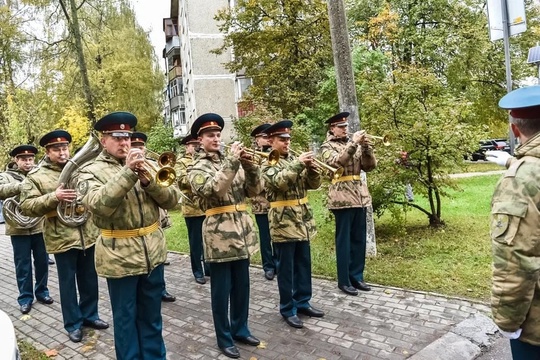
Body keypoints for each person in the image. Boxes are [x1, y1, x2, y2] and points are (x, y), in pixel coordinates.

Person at [77, 112, 180, 360]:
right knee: (125, 321)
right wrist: (127, 173)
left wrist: (149, 182)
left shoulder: (149, 165)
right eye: (117, 138)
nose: (125, 143)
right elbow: (98, 205)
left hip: (153, 254)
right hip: (119, 258)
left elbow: (174, 201)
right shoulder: (89, 170)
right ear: (104, 140)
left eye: (128, 138)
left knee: (152, 318)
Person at [19, 130, 108, 343]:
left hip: (87, 233)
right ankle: (73, 323)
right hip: (62, 237)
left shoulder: (80, 171)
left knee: (89, 280)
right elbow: (26, 206)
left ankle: (90, 315)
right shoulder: (36, 176)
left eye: (65, 148)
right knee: (67, 284)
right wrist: (54, 197)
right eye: (57, 149)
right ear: (48, 152)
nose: (62, 152)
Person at [187, 113, 261, 359]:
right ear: (200, 139)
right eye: (211, 136)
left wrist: (250, 167)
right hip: (218, 235)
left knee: (242, 287)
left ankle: (240, 328)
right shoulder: (197, 166)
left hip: (241, 231)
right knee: (221, 291)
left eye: (218, 135)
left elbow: (255, 190)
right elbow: (213, 190)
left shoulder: (233, 161)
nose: (216, 139)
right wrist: (232, 162)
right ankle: (224, 337)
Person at [490, 86, 540, 360]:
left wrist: (508, 320)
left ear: (515, 129)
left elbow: (516, 259)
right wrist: (513, 161)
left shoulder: (519, 181)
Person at [261, 120, 324, 329]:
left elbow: (313, 185)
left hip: (302, 220)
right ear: (271, 141)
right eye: (282, 140)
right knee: (286, 268)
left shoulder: (294, 159)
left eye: (288, 139)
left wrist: (313, 170)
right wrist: (298, 163)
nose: (287, 143)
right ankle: (288, 308)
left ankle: (303, 301)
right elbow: (278, 183)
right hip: (283, 221)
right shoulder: (267, 162)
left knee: (303, 264)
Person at [319, 112, 377, 296]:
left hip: (360, 196)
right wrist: (354, 144)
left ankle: (357, 276)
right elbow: (337, 163)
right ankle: (344, 280)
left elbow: (369, 167)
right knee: (344, 241)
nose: (345, 129)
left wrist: (367, 150)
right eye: (341, 127)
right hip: (341, 198)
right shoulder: (326, 146)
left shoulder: (355, 145)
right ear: (332, 129)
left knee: (358, 239)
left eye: (346, 126)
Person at [0, 145, 52, 314]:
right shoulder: (6, 176)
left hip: (39, 226)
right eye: (24, 159)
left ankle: (42, 291)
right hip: (18, 228)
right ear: (16, 160)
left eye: (30, 159)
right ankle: (25, 297)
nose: (28, 162)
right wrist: (21, 186)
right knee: (23, 265)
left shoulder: (39, 173)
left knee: (42, 262)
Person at [130, 132, 176, 303]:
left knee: (158, 257)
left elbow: (170, 194)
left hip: (156, 218)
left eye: (141, 147)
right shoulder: (126, 168)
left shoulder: (151, 165)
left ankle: (161, 288)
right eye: (135, 147)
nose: (139, 151)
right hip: (135, 227)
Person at [177, 134, 208, 285]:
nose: (196, 147)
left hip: (207, 207)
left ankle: (209, 268)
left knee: (209, 240)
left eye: (197, 144)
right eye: (192, 145)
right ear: (186, 147)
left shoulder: (205, 159)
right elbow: (182, 182)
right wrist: (198, 175)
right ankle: (197, 271)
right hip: (192, 208)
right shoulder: (181, 162)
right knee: (196, 243)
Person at [250, 123, 277, 280]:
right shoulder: (252, 157)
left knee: (278, 234)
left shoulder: (276, 154)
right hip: (261, 202)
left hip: (277, 202)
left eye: (269, 137)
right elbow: (254, 182)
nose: (267, 140)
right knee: (265, 236)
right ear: (257, 140)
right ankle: (268, 266)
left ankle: (279, 263)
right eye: (264, 137)